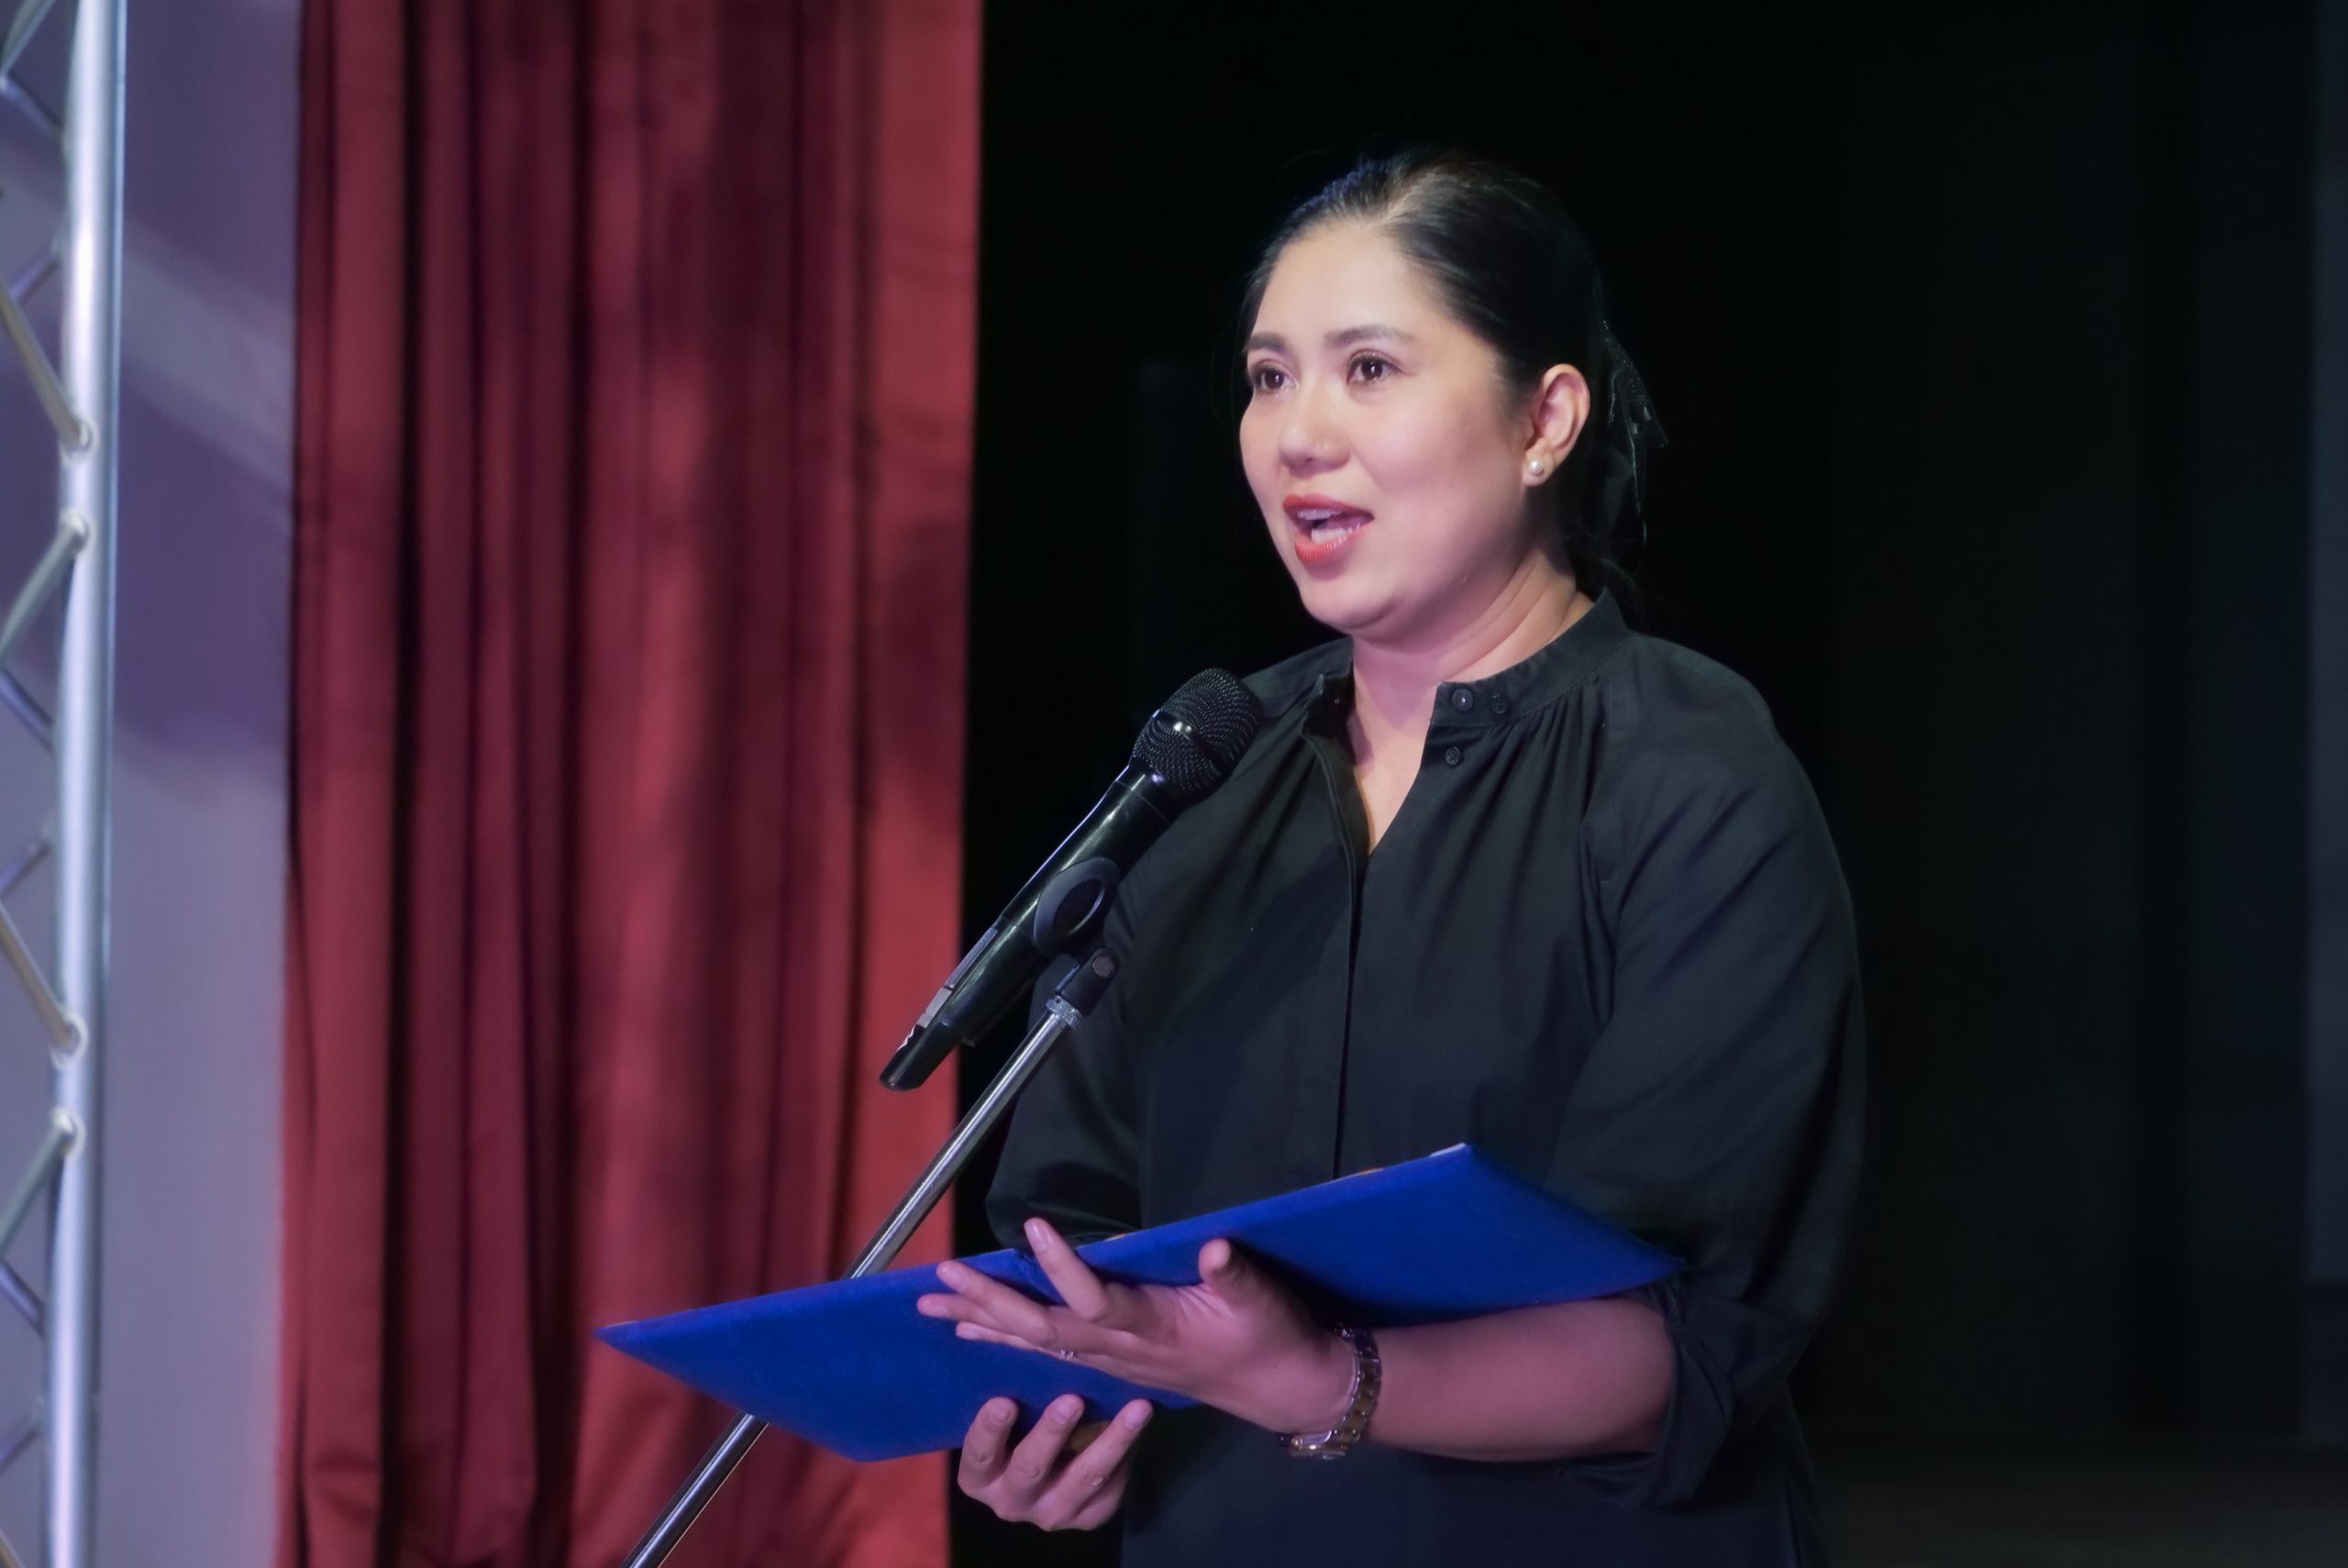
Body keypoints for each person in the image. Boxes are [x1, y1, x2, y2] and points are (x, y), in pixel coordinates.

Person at [916, 150, 1864, 1565]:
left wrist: (1318, 1377)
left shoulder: (1692, 777)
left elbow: (1688, 1339)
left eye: (1369, 369)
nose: (1299, 435)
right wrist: (1059, 1419)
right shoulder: (1204, 782)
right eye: (1270, 376)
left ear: (1545, 420)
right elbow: (1079, 1216)